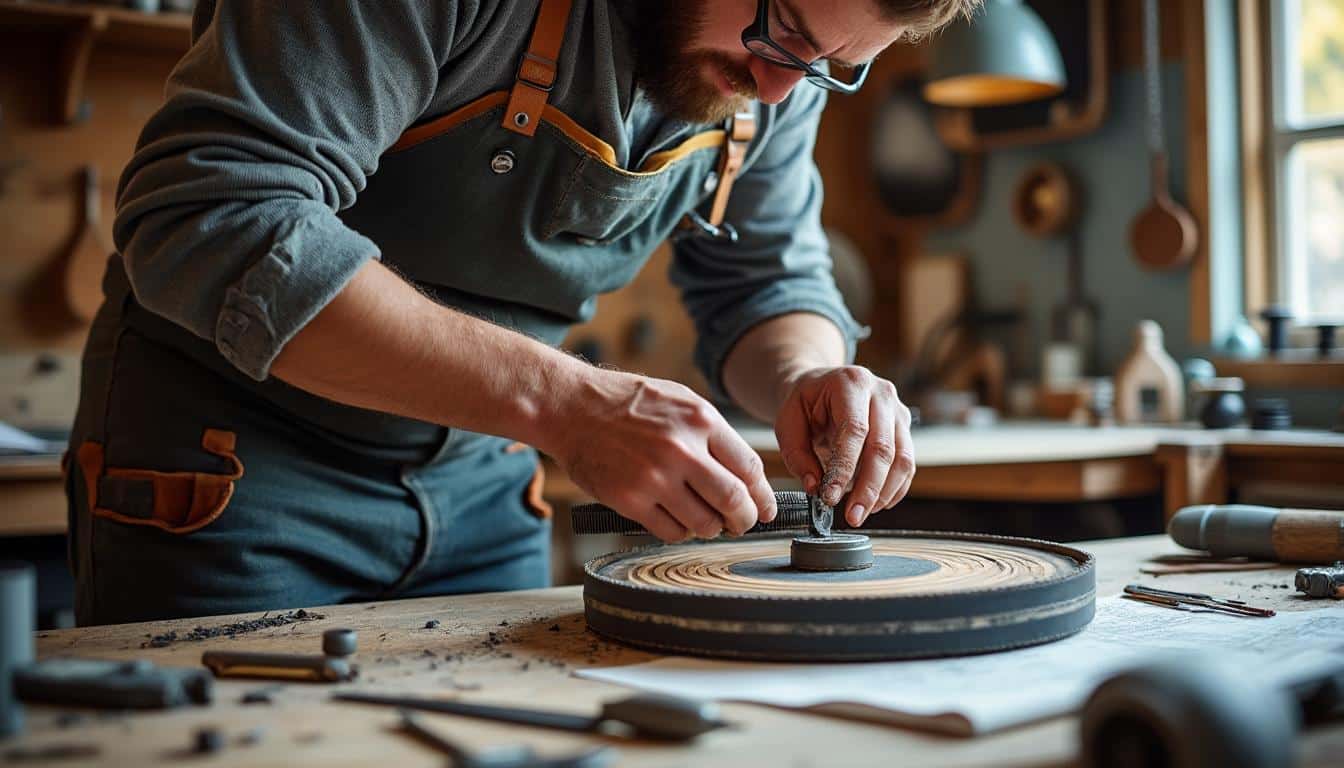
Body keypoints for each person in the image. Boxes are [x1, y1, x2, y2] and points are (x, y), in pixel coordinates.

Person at [67, 0, 976, 625]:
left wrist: (810, 372)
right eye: (785, 34)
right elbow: (211, 218)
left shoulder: (780, 67)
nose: (780, 89)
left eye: (832, 68)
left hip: (486, 485)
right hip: (237, 479)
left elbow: (767, 280)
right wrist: (567, 405)